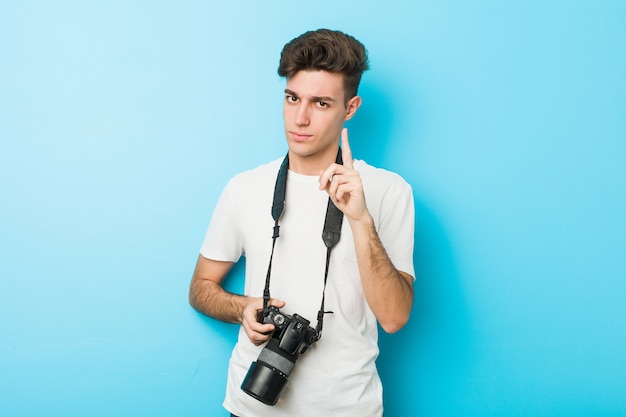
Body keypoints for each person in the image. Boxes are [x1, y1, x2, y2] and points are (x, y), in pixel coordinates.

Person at [189, 28, 415, 417]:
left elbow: (394, 317)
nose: (301, 117)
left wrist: (360, 219)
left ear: (351, 108)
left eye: (321, 103)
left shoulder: (388, 190)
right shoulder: (244, 187)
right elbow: (200, 288)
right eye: (292, 98)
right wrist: (241, 307)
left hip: (348, 407)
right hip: (252, 405)